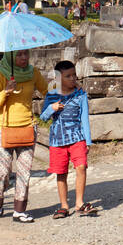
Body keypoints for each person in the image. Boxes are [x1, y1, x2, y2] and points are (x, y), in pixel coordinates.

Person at [0, 50, 46, 222]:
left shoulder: (33, 72)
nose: (24, 58)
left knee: (24, 172)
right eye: (19, 55)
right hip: (3, 128)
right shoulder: (0, 74)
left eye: (26, 54)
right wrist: (6, 91)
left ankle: (19, 210)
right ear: (11, 57)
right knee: (2, 172)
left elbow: (47, 90)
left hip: (27, 126)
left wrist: (64, 88)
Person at [40, 60, 95, 218]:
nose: (73, 79)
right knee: (61, 173)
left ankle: (79, 203)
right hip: (57, 140)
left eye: (74, 75)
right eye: (68, 76)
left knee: (81, 167)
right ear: (58, 78)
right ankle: (64, 205)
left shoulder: (80, 94)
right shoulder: (52, 95)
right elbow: (43, 117)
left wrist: (88, 141)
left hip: (77, 137)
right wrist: (52, 108)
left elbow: (84, 118)